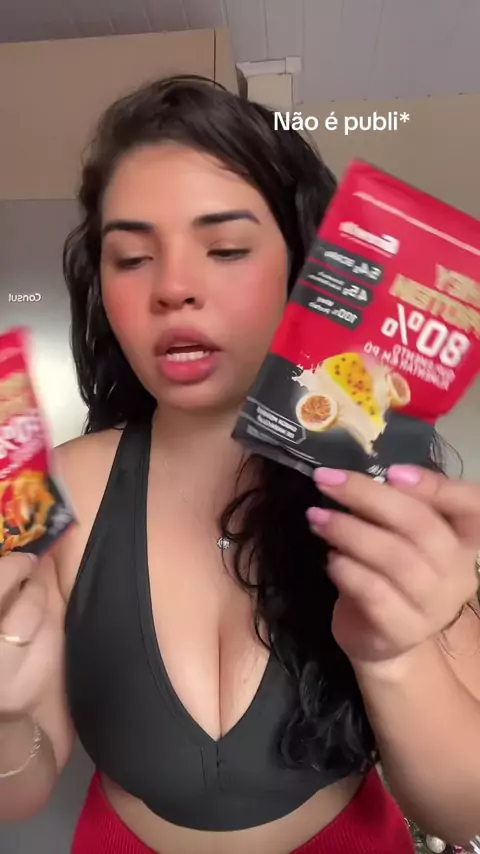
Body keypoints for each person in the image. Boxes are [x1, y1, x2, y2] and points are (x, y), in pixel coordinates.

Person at [0, 75, 480, 854]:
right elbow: (24, 787)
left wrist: (396, 657)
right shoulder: (60, 490)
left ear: (303, 269)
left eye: (225, 249)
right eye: (132, 258)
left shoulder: (382, 485)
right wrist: (5, 716)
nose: (173, 289)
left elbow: (464, 814)